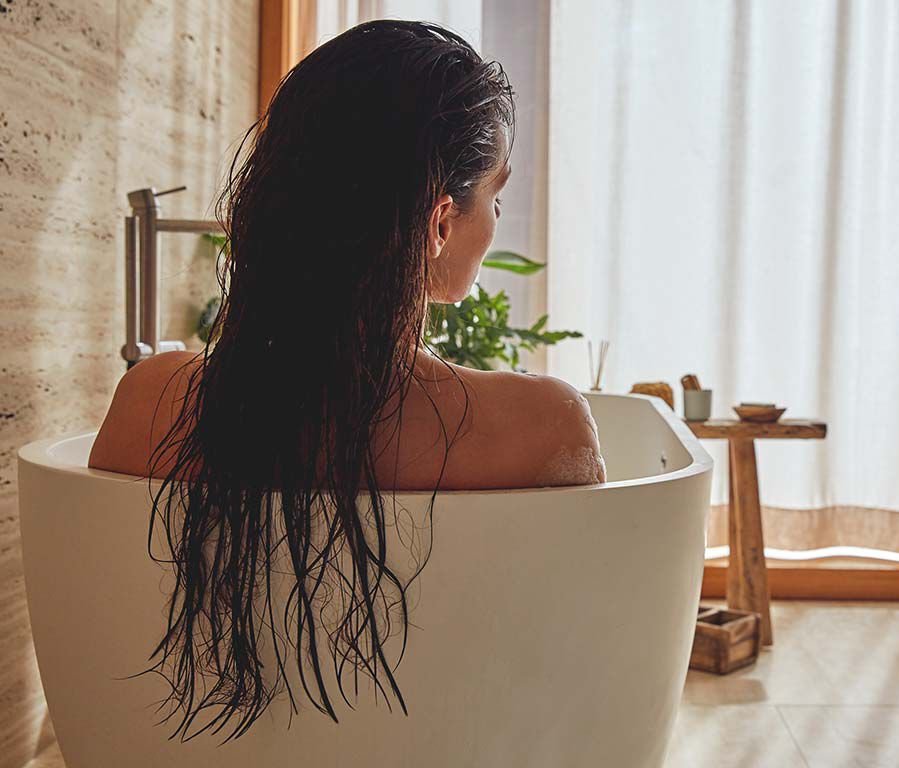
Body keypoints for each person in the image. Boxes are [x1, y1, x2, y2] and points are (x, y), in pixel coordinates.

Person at [87, 20, 604, 740]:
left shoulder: (151, 399)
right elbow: (576, 664)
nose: (497, 220)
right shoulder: (546, 427)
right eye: (495, 195)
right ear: (439, 223)